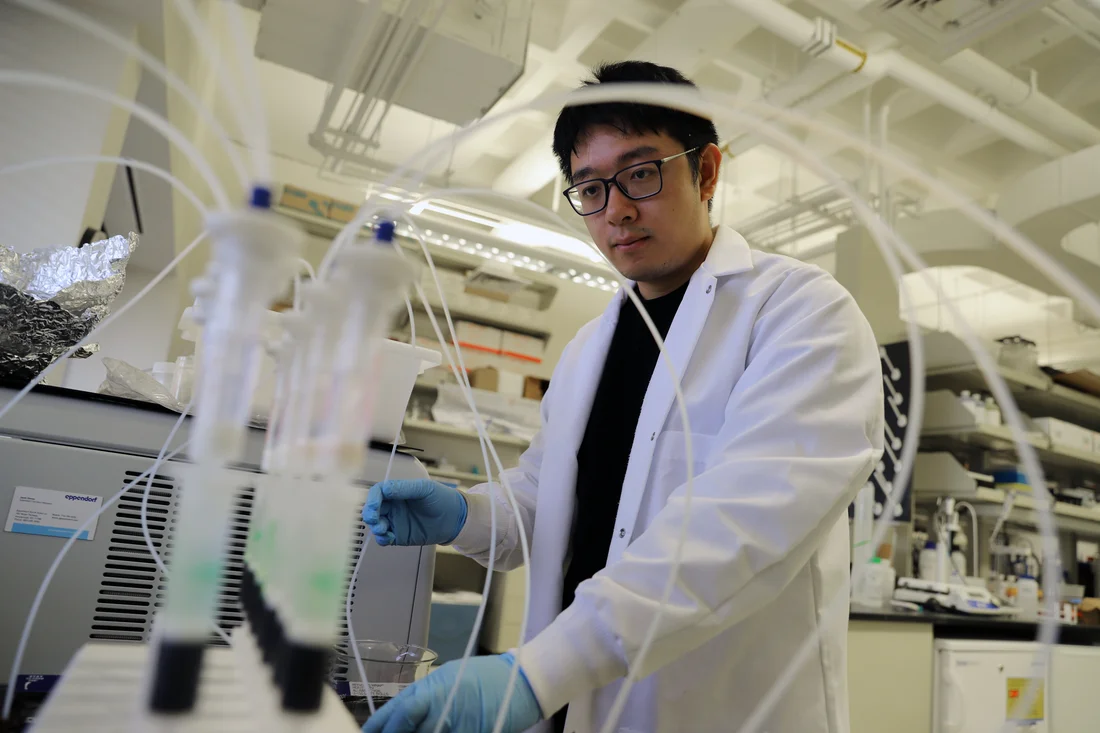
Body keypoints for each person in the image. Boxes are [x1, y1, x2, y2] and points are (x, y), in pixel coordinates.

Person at [361, 61, 884, 733]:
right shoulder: (586, 349)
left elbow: (743, 525)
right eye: (590, 187)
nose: (616, 210)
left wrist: (540, 670)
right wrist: (466, 513)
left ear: (708, 171)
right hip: (575, 707)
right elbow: (548, 499)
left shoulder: (800, 313)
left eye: (641, 173)